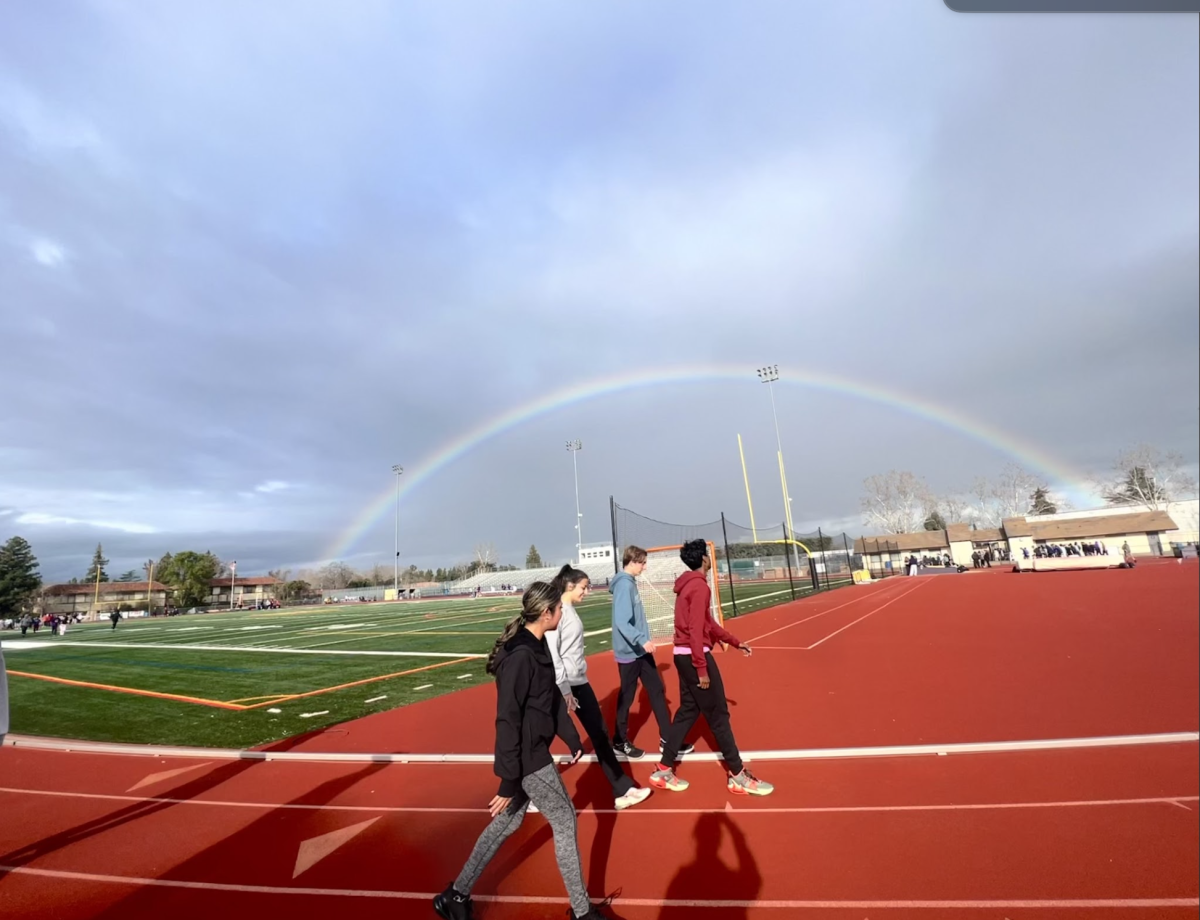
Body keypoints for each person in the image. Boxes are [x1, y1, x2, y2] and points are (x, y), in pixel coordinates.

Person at [434, 582, 616, 920]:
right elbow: (507, 719)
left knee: (508, 823)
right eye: (559, 609)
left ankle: (455, 896)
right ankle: (581, 911)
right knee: (565, 820)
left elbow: (548, 699)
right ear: (546, 614)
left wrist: (571, 737)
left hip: (530, 752)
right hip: (528, 757)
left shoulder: (537, 645)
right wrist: (507, 780)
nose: (563, 613)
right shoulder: (520, 657)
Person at [652, 539, 774, 797]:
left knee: (687, 712)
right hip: (695, 658)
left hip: (682, 655)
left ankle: (663, 769)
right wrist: (702, 669)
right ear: (704, 560)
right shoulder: (698, 587)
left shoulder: (689, 585)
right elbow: (697, 631)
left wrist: (734, 641)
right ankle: (738, 775)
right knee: (719, 716)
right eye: (709, 556)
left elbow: (707, 624)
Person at [546, 564, 652, 812]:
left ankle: (623, 790)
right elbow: (553, 653)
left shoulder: (568, 609)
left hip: (578, 682)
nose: (587, 591)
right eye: (584, 587)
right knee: (541, 739)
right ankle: (520, 794)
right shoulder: (558, 612)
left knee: (600, 734)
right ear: (570, 586)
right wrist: (564, 690)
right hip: (564, 685)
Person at [609, 546, 694, 760]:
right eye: (643, 563)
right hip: (630, 652)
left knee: (657, 691)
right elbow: (621, 621)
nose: (645, 567)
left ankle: (668, 739)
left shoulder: (630, 583)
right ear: (633, 561)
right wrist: (641, 640)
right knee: (627, 698)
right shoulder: (623, 585)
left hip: (640, 650)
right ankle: (619, 740)